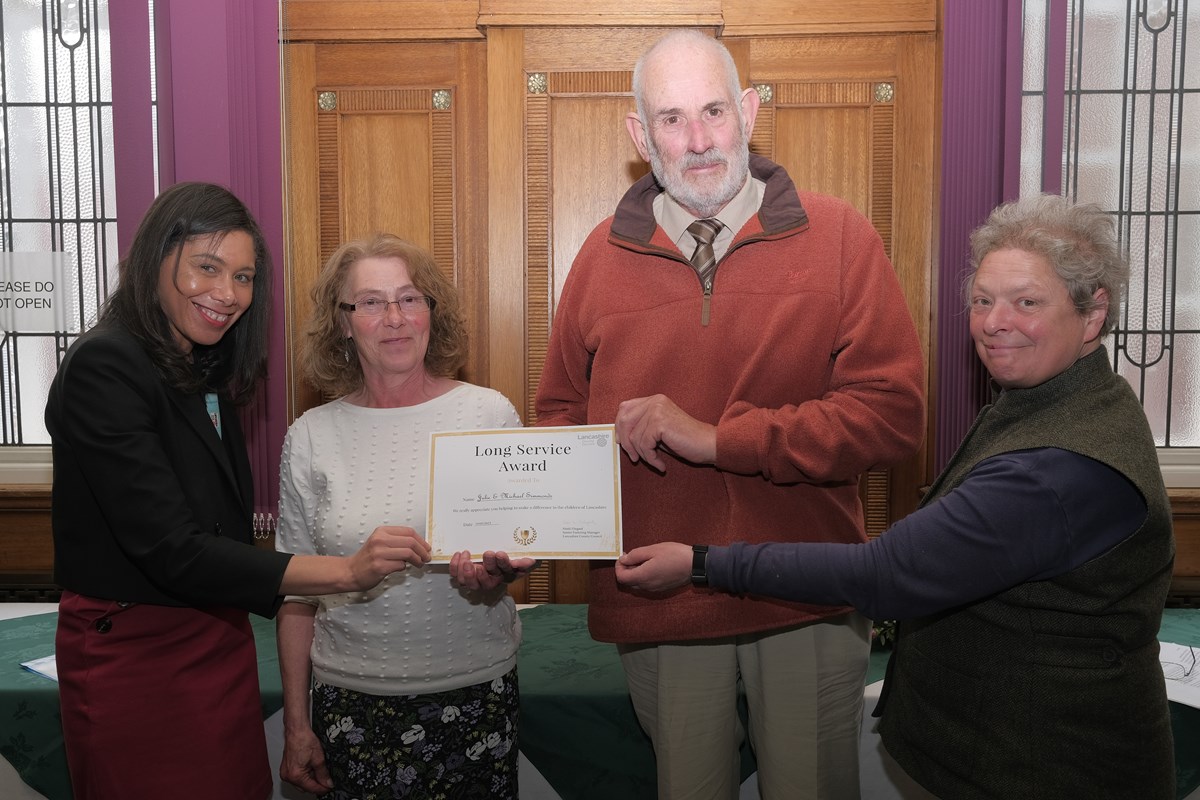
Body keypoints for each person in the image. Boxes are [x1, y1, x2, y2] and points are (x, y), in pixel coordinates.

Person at [616, 194, 1177, 800]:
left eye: (1027, 302)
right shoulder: (1061, 400)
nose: (994, 322)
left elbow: (887, 574)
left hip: (1047, 763)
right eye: (982, 301)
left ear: (1093, 316)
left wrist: (701, 563)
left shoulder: (1057, 469)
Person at [534, 29, 926, 800]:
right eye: (672, 119)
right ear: (640, 135)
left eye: (714, 110)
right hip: (661, 601)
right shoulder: (596, 258)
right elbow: (558, 421)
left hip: (805, 596)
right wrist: (526, 526)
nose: (699, 139)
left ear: (748, 111)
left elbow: (891, 416)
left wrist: (718, 441)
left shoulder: (840, 236)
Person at [45, 182, 431, 800]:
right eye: (207, 267)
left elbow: (222, 532)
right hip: (139, 658)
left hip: (217, 644)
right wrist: (345, 572)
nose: (227, 294)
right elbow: (173, 549)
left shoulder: (203, 371)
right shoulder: (106, 366)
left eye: (245, 277)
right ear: (155, 256)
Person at [275, 233, 535, 800]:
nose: (394, 318)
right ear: (342, 323)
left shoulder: (488, 414)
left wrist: (495, 575)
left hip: (472, 694)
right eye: (370, 302)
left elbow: (516, 548)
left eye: (410, 298)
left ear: (431, 314)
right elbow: (295, 596)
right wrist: (296, 726)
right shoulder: (311, 436)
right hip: (349, 704)